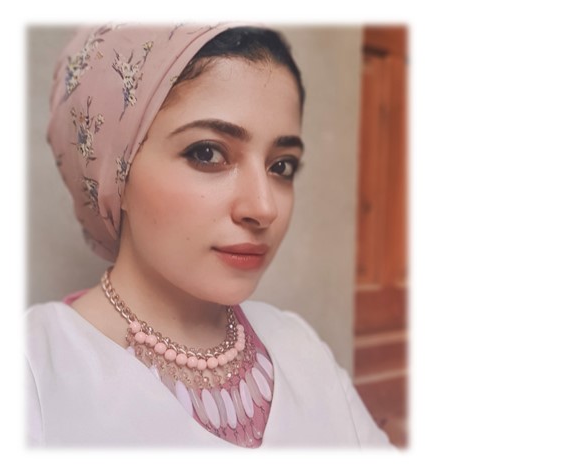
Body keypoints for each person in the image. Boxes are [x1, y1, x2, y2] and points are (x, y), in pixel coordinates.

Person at [26, 23, 392, 448]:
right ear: (114, 175)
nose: (264, 208)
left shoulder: (301, 345)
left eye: (281, 166)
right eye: (207, 153)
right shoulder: (34, 370)